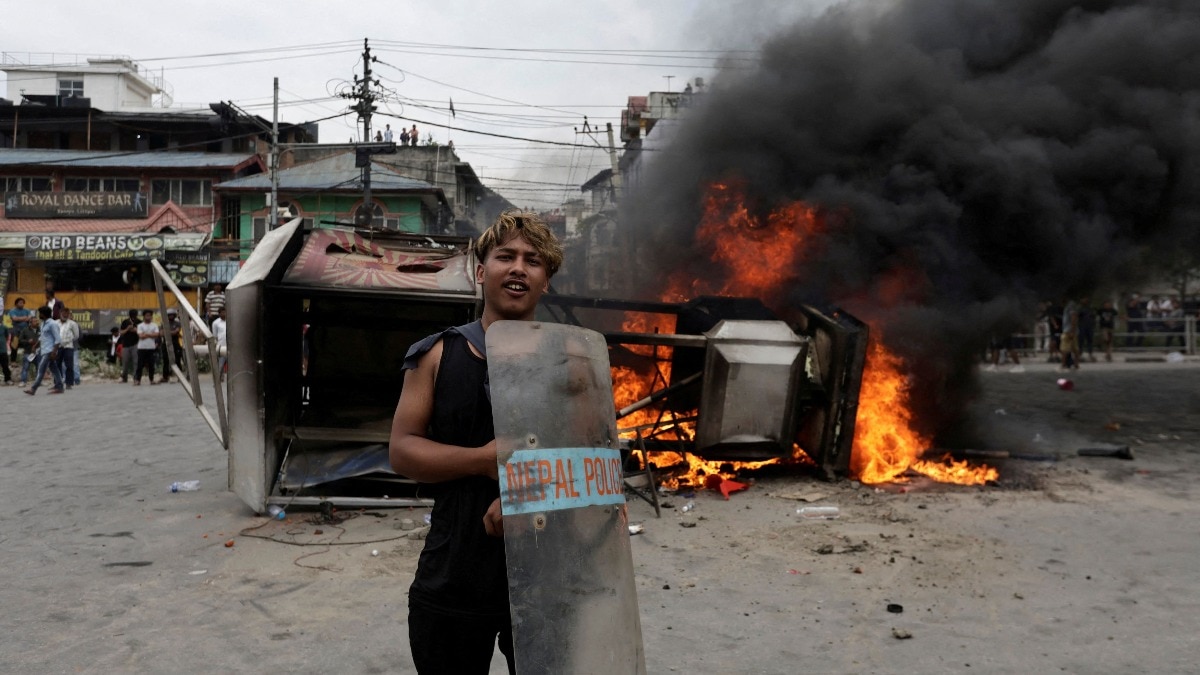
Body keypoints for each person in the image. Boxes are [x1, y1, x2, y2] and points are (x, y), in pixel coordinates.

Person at [389, 211, 563, 675]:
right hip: (455, 570)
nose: (519, 268)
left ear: (546, 281)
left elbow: (593, 460)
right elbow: (403, 450)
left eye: (534, 260)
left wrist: (524, 493)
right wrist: (485, 461)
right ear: (481, 272)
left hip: (549, 573)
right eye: (506, 256)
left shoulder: (569, 365)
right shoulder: (438, 354)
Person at [24, 306, 63, 395]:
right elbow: (42, 337)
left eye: (40, 313)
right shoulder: (43, 324)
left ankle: (33, 389)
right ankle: (59, 386)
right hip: (44, 350)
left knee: (41, 369)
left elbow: (58, 339)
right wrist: (35, 345)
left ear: (43, 314)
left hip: (50, 351)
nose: (39, 315)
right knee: (54, 369)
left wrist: (54, 351)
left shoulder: (52, 324)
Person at [134, 310, 160, 386]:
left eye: (149, 315)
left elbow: (156, 335)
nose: (148, 317)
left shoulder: (154, 325)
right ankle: (138, 380)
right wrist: (151, 334)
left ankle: (151, 379)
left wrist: (146, 334)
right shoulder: (140, 325)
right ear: (144, 316)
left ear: (151, 316)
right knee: (140, 365)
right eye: (146, 315)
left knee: (151, 364)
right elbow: (140, 336)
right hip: (141, 348)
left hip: (151, 347)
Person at [58, 307, 80, 390]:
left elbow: (76, 336)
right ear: (60, 313)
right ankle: (58, 382)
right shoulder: (56, 323)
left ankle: (69, 383)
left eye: (67, 313)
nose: (65, 314)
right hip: (58, 347)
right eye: (64, 313)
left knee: (69, 366)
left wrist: (67, 341)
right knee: (57, 365)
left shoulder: (73, 324)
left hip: (68, 347)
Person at [161, 308, 183, 383]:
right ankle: (165, 377)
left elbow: (177, 331)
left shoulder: (177, 323)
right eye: (169, 315)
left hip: (175, 343)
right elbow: (161, 333)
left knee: (177, 360)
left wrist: (168, 332)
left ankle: (180, 377)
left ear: (174, 315)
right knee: (166, 360)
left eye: (172, 315)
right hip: (166, 343)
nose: (170, 316)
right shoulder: (164, 323)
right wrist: (172, 332)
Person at [118, 309, 140, 383]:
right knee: (125, 362)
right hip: (126, 345)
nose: (133, 316)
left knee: (136, 362)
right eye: (132, 315)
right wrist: (127, 329)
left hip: (136, 344)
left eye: (135, 315)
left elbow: (142, 332)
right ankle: (124, 378)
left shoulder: (139, 322)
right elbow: (121, 332)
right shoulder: (125, 322)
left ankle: (135, 378)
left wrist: (135, 330)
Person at [1060, 298, 1081, 371]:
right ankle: (1076, 364)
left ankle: (1063, 365)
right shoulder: (1071, 306)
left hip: (1068, 331)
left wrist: (1072, 331)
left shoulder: (1070, 306)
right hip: (1071, 330)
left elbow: (1073, 318)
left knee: (1064, 349)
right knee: (1075, 348)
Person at [8, 297, 32, 361]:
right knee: (14, 346)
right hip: (15, 331)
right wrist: (24, 318)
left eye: (23, 303)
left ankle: (28, 360)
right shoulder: (12, 311)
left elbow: (29, 318)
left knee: (29, 344)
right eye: (20, 303)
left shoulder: (27, 310)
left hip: (25, 331)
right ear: (16, 304)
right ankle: (13, 361)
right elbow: (14, 319)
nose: (22, 304)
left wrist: (19, 319)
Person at [1077, 298, 1096, 363]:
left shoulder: (1090, 308)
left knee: (1090, 340)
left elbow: (1093, 317)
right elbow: (1077, 315)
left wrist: (1093, 324)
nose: (1085, 301)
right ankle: (1079, 354)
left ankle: (1090, 354)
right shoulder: (1079, 308)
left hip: (1089, 326)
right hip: (1082, 326)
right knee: (1080, 340)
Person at [212, 306, 228, 380]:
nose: (224, 313)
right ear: (219, 314)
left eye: (225, 312)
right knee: (220, 365)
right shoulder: (216, 323)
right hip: (221, 346)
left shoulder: (230, 321)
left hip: (230, 346)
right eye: (222, 312)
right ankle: (218, 379)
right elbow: (215, 335)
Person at [0, 314, 11, 385]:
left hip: (3, 350)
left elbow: (7, 337)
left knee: (5, 366)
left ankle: (7, 379)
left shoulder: (4, 327)